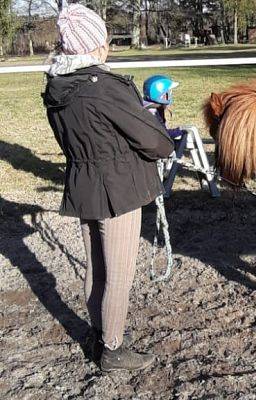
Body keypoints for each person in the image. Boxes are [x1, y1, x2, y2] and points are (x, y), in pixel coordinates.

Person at [42, 4, 174, 371]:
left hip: (83, 184)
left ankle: (99, 333)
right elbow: (157, 142)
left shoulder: (56, 87)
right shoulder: (104, 88)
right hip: (119, 189)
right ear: (94, 46)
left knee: (96, 268)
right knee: (118, 274)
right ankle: (113, 349)